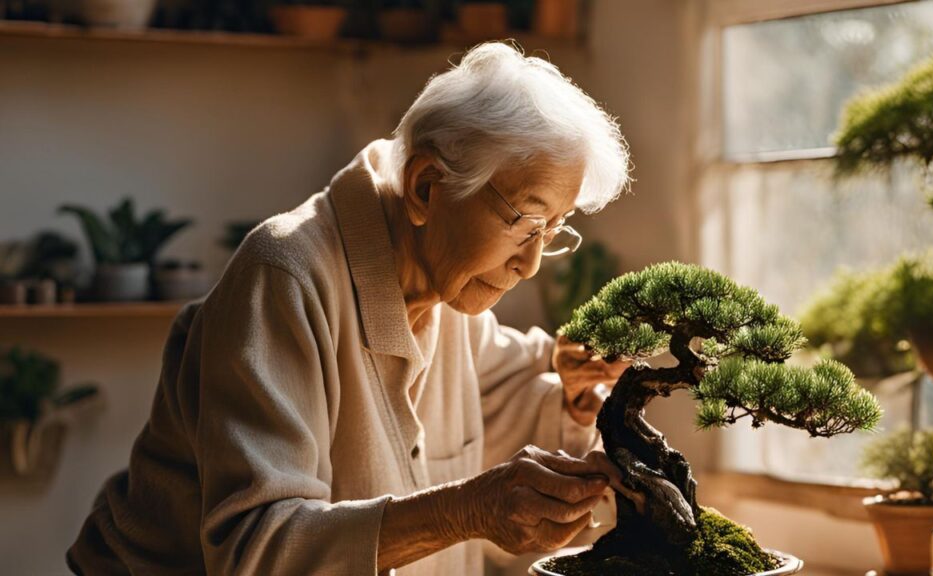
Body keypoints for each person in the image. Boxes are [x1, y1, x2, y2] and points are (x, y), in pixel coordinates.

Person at [68, 41, 633, 575]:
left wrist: (575, 391)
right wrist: (464, 510)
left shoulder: (448, 299)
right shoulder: (284, 277)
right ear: (425, 187)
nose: (531, 264)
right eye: (525, 224)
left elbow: (522, 379)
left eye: (554, 230)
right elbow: (257, 548)